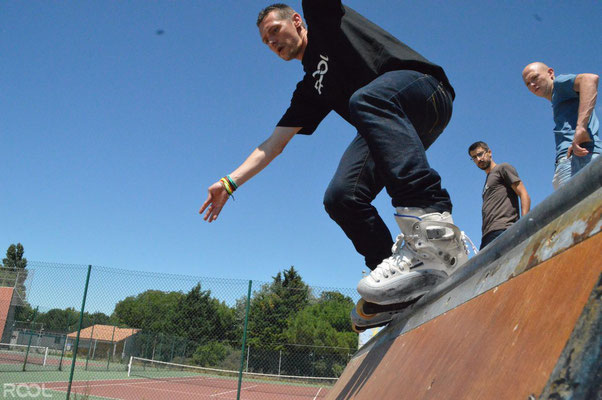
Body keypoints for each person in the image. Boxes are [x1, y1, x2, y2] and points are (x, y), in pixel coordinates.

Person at [200, 1, 469, 307]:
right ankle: (400, 287)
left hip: (425, 91)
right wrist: (229, 182)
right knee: (341, 197)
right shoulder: (310, 87)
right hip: (388, 122)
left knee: (365, 100)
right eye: (266, 41)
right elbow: (273, 145)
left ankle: (434, 228)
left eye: (275, 31)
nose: (272, 42)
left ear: (297, 21)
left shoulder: (323, 18)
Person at [522, 62, 601, 189]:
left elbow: (589, 79)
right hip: (575, 160)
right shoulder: (557, 97)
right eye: (527, 84)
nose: (532, 84)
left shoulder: (559, 84)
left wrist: (581, 128)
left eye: (535, 77)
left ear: (550, 73)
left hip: (578, 159)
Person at [468, 141, 530, 250]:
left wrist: (524, 224)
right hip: (487, 235)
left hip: (504, 229)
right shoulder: (487, 180)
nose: (478, 159)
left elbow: (524, 194)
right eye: (474, 157)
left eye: (480, 154)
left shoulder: (502, 168)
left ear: (489, 152)